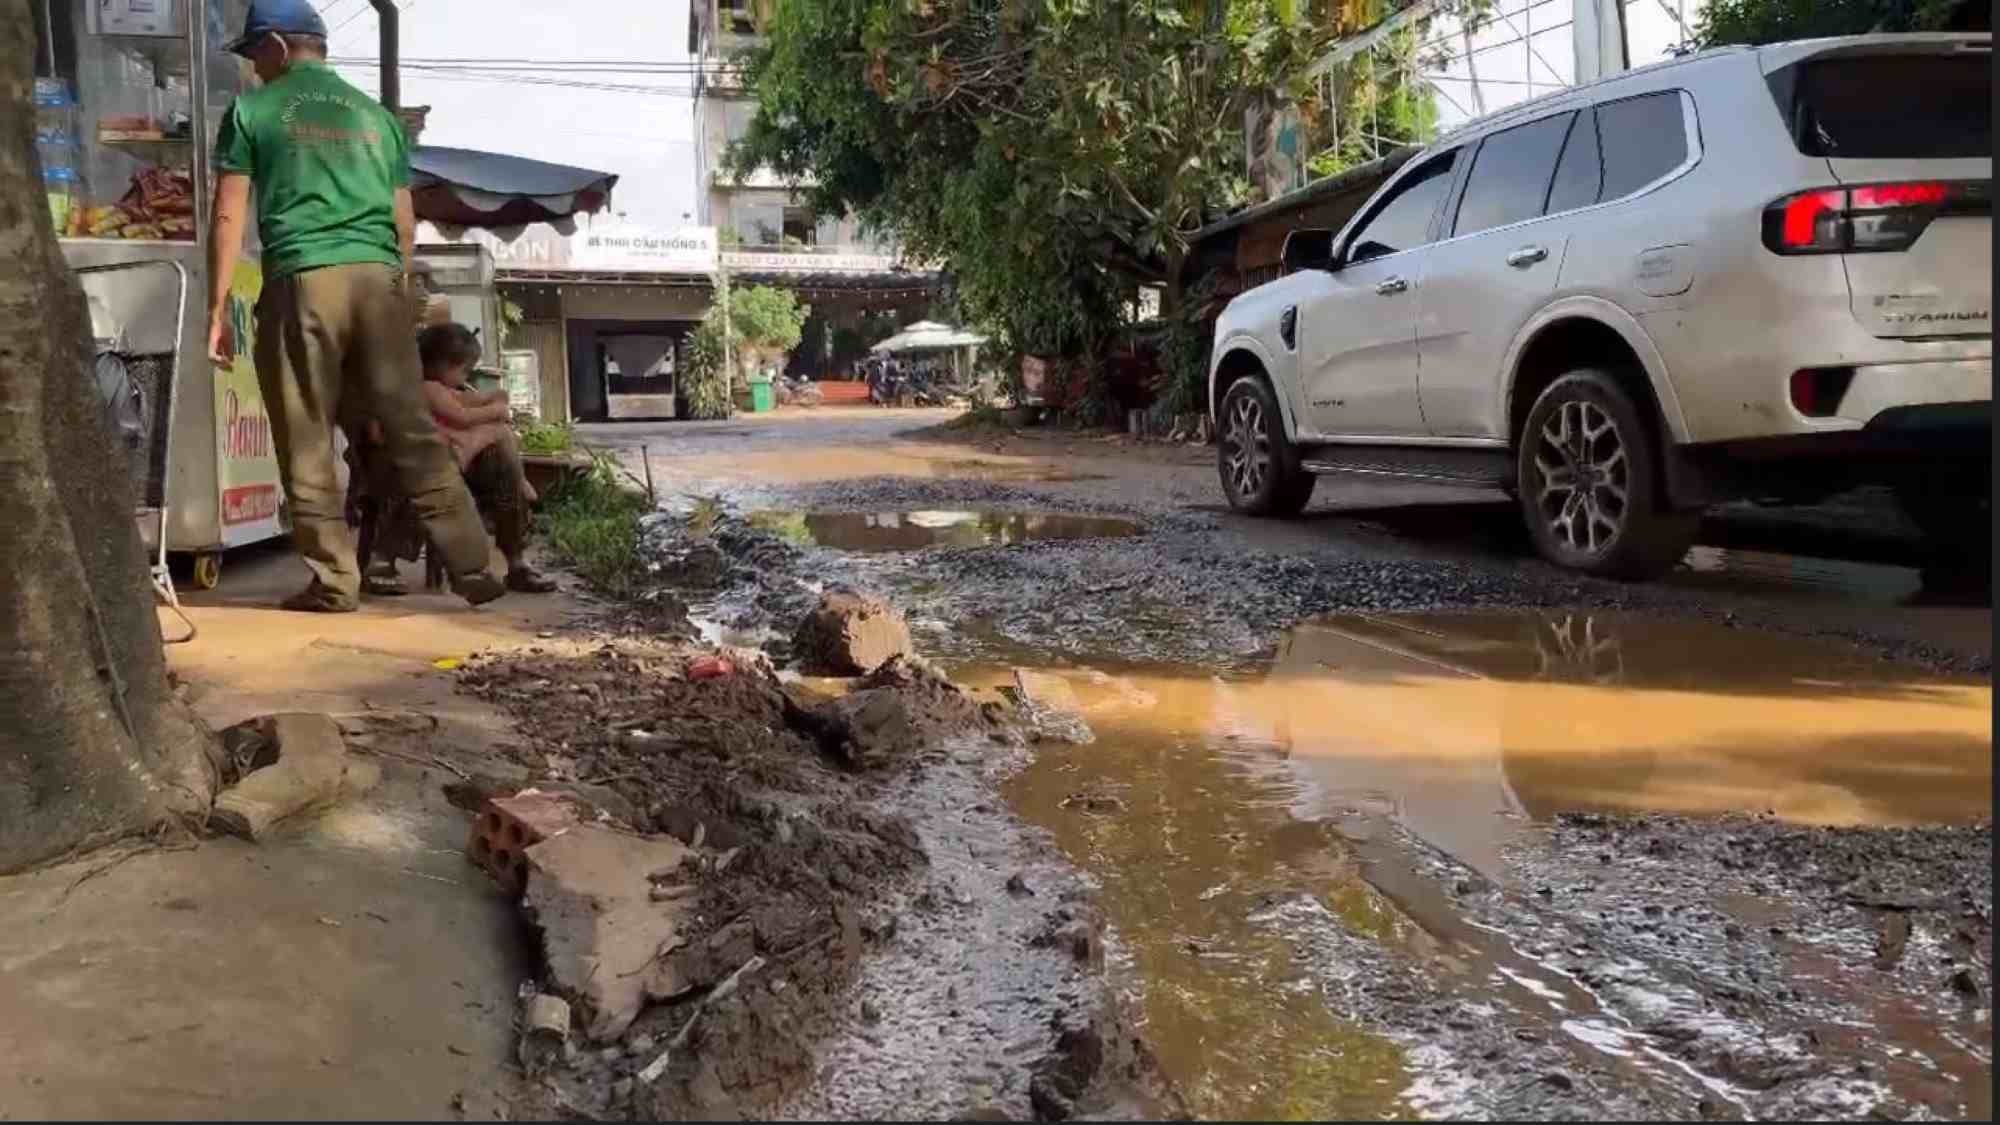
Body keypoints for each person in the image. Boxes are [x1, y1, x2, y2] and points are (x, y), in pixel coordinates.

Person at [204, 0, 504, 612]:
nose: (255, 69)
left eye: (256, 54)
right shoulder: (378, 118)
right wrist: (395, 294)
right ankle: (474, 567)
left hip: (305, 279)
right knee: (413, 429)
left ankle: (336, 581)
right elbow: (404, 222)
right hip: (379, 281)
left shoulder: (252, 109)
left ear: (281, 48)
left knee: (304, 431)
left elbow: (229, 213)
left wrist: (216, 307)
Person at [409, 323, 557, 593]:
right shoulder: (428, 388)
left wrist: (494, 399)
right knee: (497, 434)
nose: (467, 376)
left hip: (457, 459)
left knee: (503, 454)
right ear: (443, 364)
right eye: (464, 370)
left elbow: (466, 402)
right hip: (439, 460)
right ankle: (511, 559)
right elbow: (461, 415)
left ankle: (515, 559)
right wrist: (495, 411)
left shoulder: (444, 388)